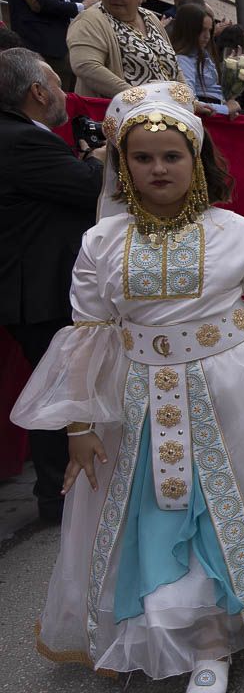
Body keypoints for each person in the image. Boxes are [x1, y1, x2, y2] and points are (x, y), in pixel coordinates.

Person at [10, 81, 244, 693]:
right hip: (141, 402)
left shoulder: (234, 230)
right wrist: (79, 425)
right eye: (142, 157)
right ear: (122, 165)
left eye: (172, 156)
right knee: (159, 510)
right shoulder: (101, 243)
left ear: (197, 160)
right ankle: (180, 629)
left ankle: (217, 637)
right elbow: (88, 336)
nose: (158, 168)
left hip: (234, 391)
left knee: (238, 501)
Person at [0, 48, 104, 524]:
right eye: (58, 84)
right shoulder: (21, 140)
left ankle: (63, 491)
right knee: (59, 387)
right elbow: (88, 188)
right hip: (39, 291)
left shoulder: (21, 136)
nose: (65, 93)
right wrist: (100, 158)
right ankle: (59, 496)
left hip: (35, 288)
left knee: (59, 383)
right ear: (38, 92)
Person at [67, 0, 180, 98]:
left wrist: (188, 99)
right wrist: (140, 97)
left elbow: (173, 64)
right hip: (120, 108)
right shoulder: (89, 19)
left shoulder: (151, 18)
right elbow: (86, 66)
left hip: (166, 105)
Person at [171, 3, 240, 118]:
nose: (207, 36)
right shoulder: (183, 60)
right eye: (202, 30)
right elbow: (189, 101)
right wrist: (226, 109)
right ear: (188, 30)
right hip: (206, 118)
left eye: (209, 30)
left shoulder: (203, 55)